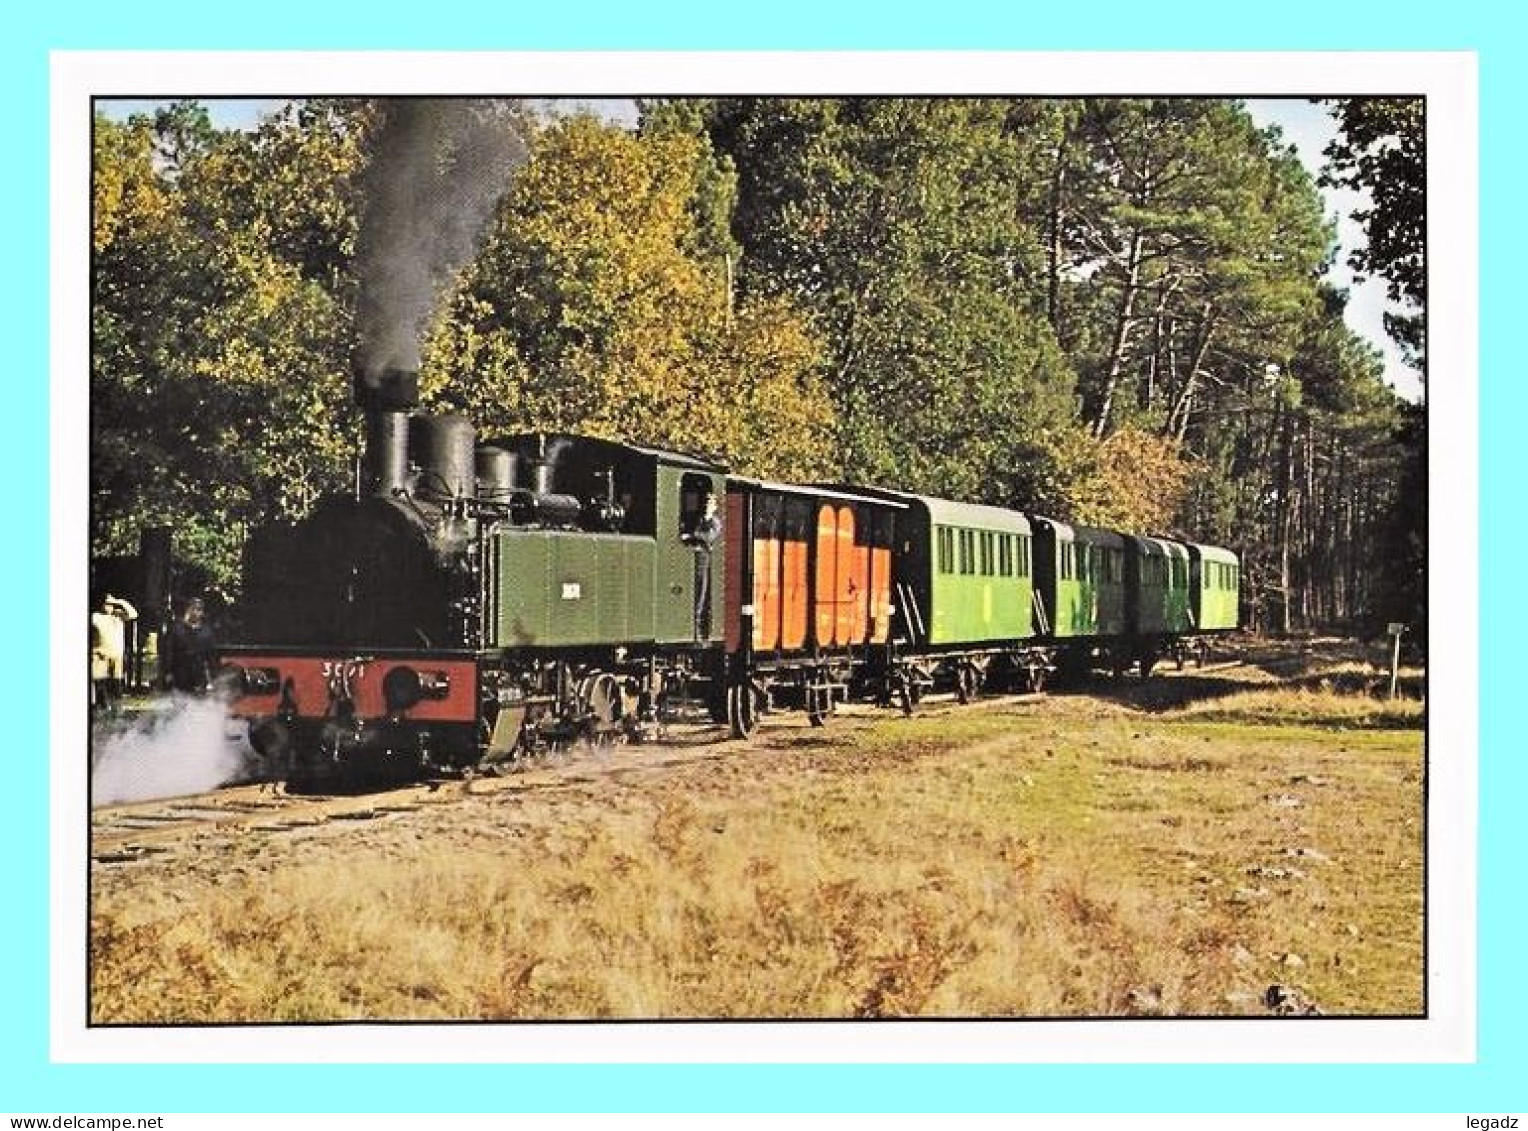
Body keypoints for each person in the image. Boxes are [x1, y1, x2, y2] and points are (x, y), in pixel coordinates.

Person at [683, 490, 723, 640]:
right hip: (693, 558)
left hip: (704, 559)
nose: (707, 506)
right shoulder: (698, 520)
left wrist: (692, 535)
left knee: (701, 592)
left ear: (714, 507)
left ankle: (699, 629)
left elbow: (709, 537)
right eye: (706, 503)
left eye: (710, 504)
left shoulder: (715, 522)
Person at [90, 592, 138, 714]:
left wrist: (118, 601)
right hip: (100, 655)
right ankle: (102, 708)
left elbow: (134, 614)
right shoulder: (96, 617)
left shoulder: (119, 616)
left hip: (117, 656)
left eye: (111, 605)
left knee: (116, 683)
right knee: (100, 682)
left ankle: (117, 708)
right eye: (106, 604)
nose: (108, 607)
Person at [163, 595, 216, 693]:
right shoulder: (176, 629)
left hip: (198, 674)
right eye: (193, 609)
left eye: (199, 610)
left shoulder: (207, 632)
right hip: (179, 673)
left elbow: (210, 655)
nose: (195, 612)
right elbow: (169, 651)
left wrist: (211, 677)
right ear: (187, 610)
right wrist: (168, 671)